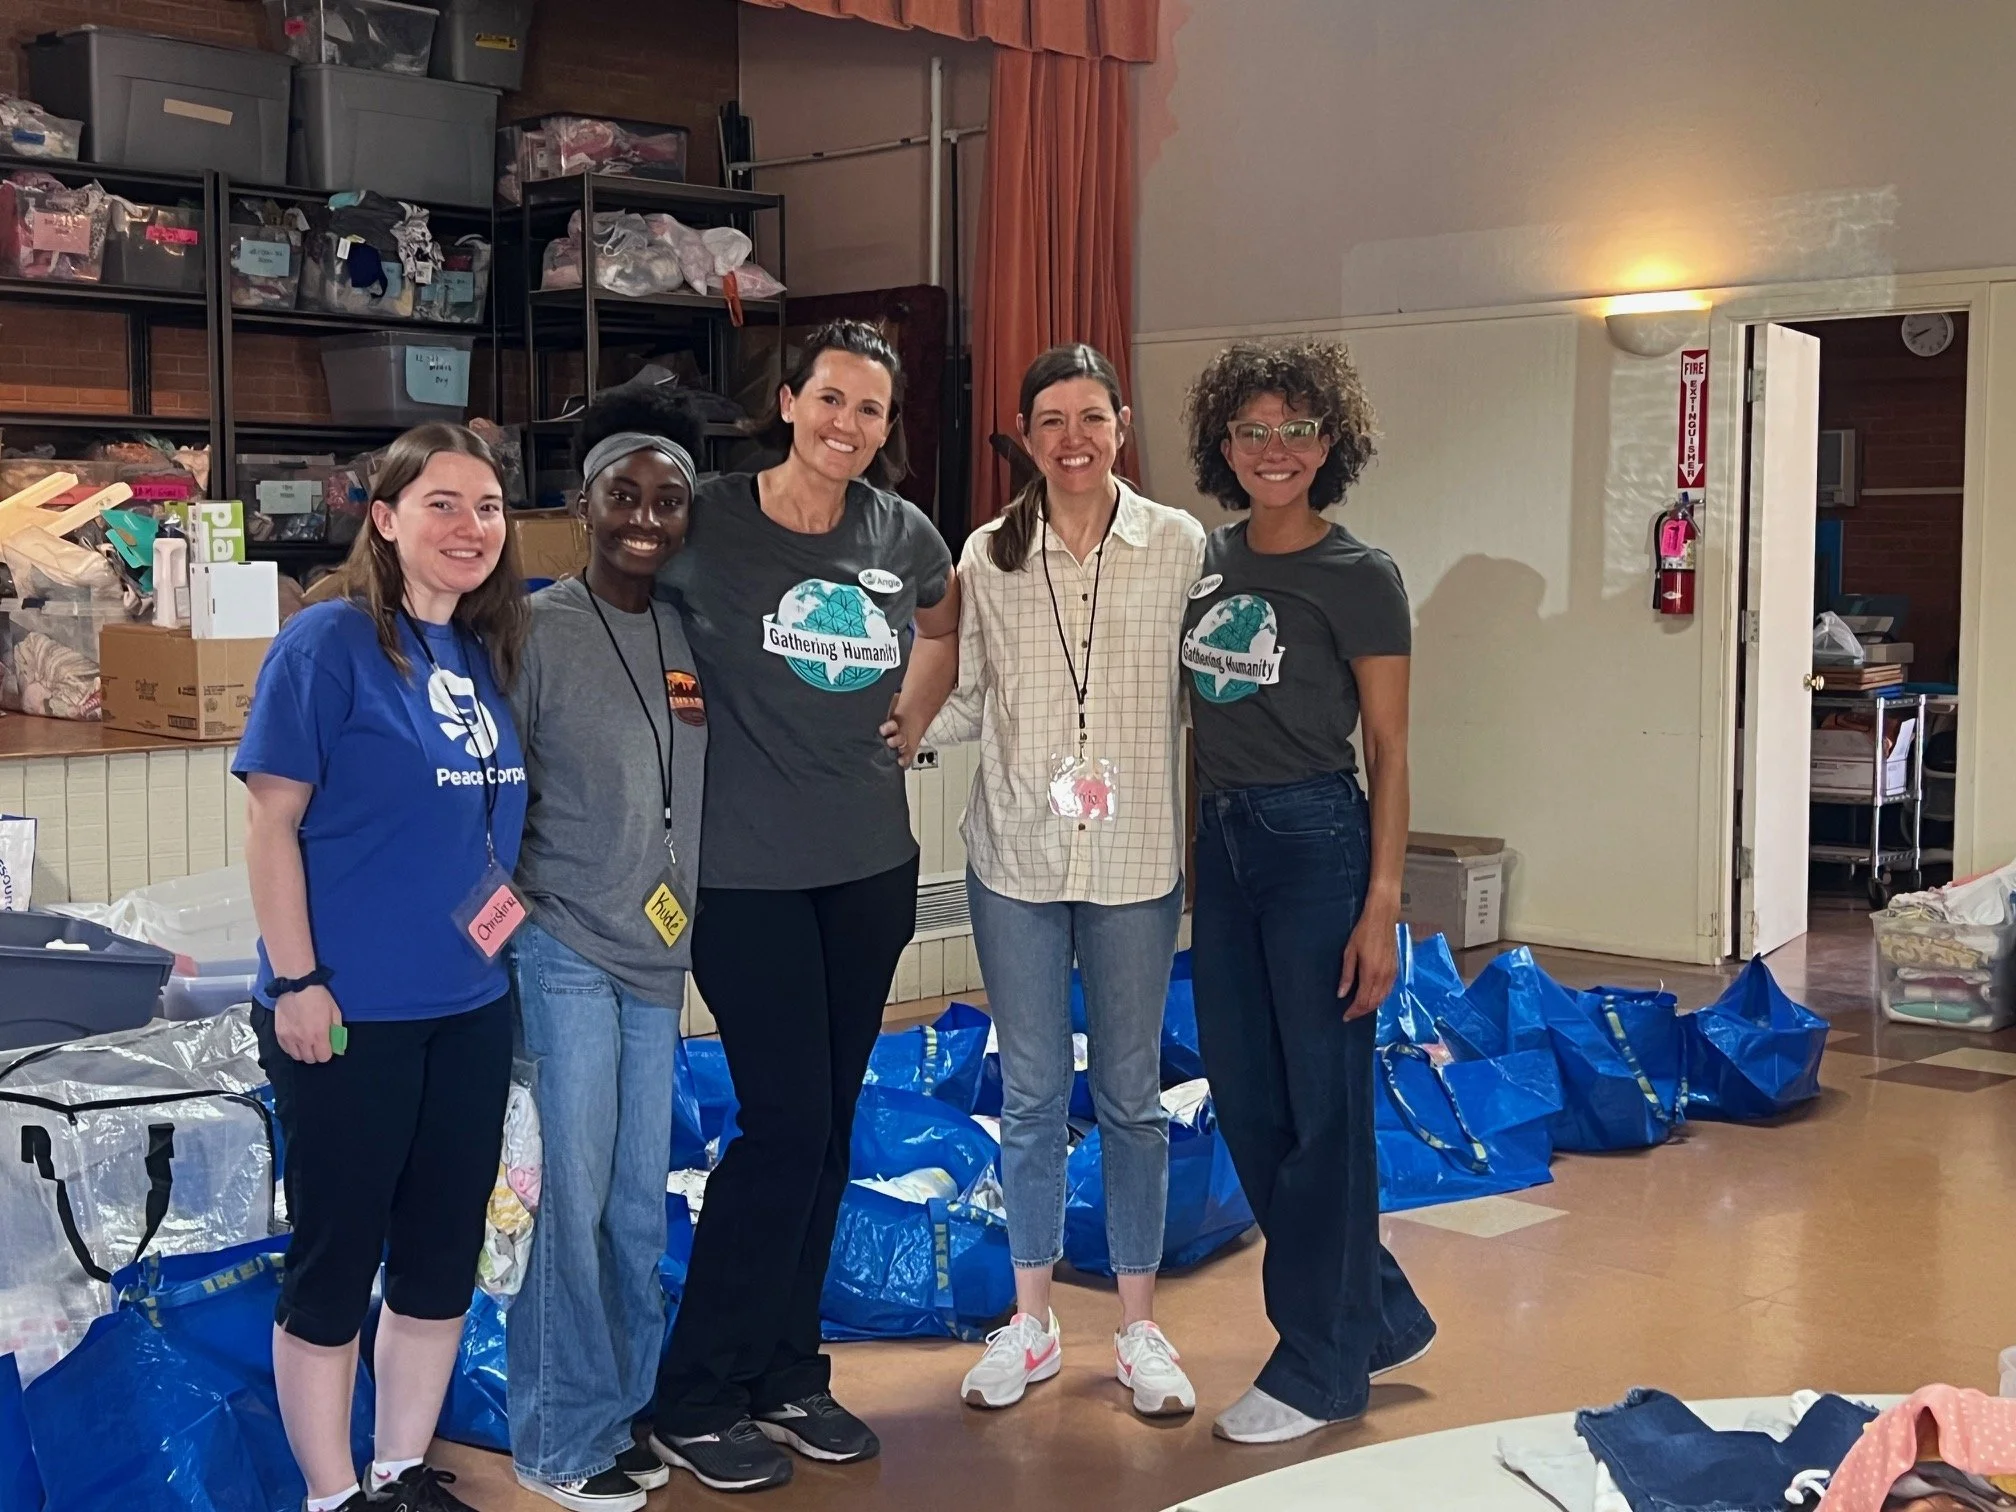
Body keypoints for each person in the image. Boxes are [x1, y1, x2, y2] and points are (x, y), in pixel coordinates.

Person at [649, 320, 960, 1493]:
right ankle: (694, 1395)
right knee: (782, 1125)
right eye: (830, 398)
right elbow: (614, 608)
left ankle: (786, 1373)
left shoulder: (902, 533)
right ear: (788, 402)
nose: (848, 424)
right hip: (744, 877)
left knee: (828, 1127)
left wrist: (914, 715)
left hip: (867, 868)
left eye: (871, 409)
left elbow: (943, 622)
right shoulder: (705, 521)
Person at [238, 424, 529, 1512]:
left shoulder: (482, 650)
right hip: (348, 1013)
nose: (470, 527)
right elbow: (273, 826)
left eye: (488, 507)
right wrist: (298, 981)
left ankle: (401, 1472)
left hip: (471, 1006)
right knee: (335, 1256)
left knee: (441, 1255)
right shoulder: (328, 643)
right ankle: (332, 1493)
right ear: (386, 517)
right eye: (442, 504)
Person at [933, 345, 1205, 1416]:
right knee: (1034, 1094)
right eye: (1051, 420)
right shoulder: (989, 554)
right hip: (1017, 857)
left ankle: (1139, 1328)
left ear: (1122, 427)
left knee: (1132, 1098)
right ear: (1026, 436)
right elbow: (962, 695)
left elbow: (1209, 692)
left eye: (1091, 417)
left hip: (1136, 861)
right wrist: (872, 720)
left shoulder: (1178, 546)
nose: (1073, 439)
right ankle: (1032, 1322)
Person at [1177, 341, 1437, 1445]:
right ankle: (1375, 1311)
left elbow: (1390, 747)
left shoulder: (1360, 575)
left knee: (1326, 1114)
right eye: (1252, 430)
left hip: (1316, 844)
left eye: (1296, 429)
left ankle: (1322, 1368)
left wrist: (1382, 904)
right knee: (1249, 1101)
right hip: (1225, 846)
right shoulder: (1204, 563)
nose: (1274, 449)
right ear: (1224, 445)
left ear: (1331, 443)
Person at [504, 387, 709, 1512]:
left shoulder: (689, 634)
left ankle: (621, 1410)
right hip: (564, 952)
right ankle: (555, 1438)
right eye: (623, 497)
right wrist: (503, 929)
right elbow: (491, 798)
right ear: (582, 507)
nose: (645, 518)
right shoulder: (538, 631)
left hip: (657, 962)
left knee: (636, 1207)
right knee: (568, 1206)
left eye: (667, 501)